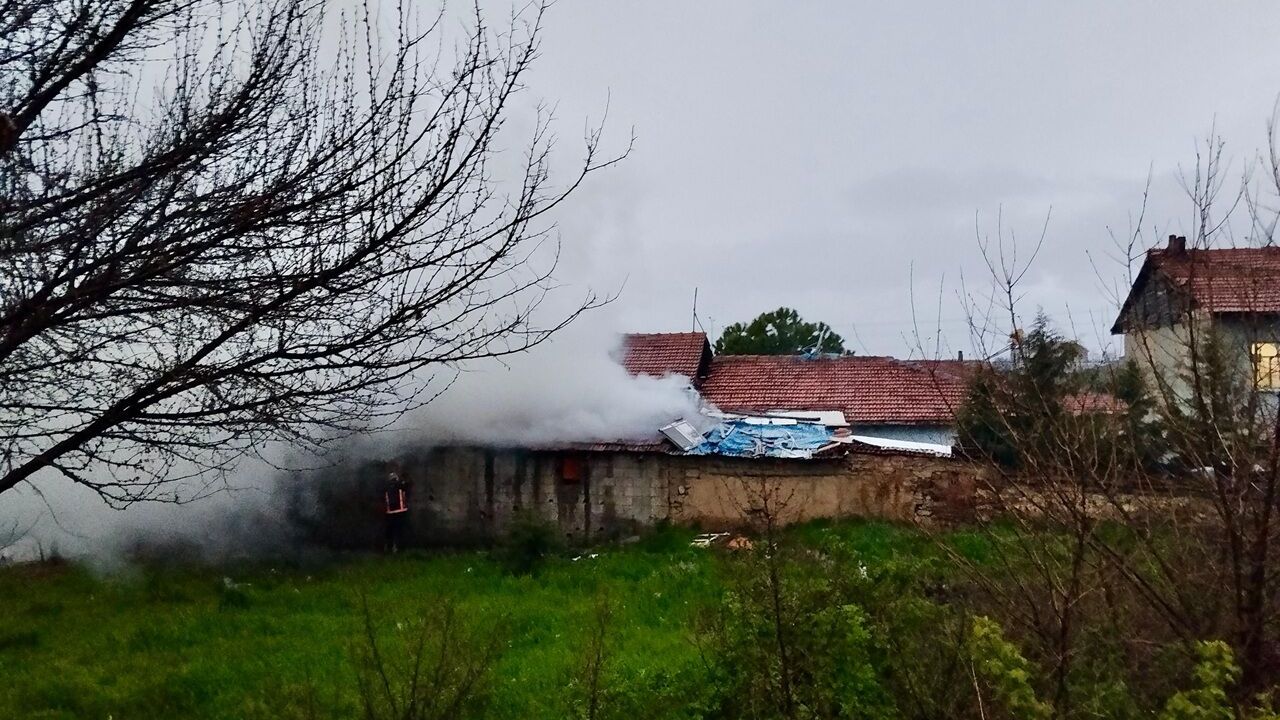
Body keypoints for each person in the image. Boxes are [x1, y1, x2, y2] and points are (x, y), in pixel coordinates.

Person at [382, 468, 410, 553]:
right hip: (400, 511)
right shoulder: (400, 485)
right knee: (399, 531)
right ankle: (397, 547)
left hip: (389, 512)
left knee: (390, 531)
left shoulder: (386, 487)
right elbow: (408, 486)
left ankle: (388, 547)